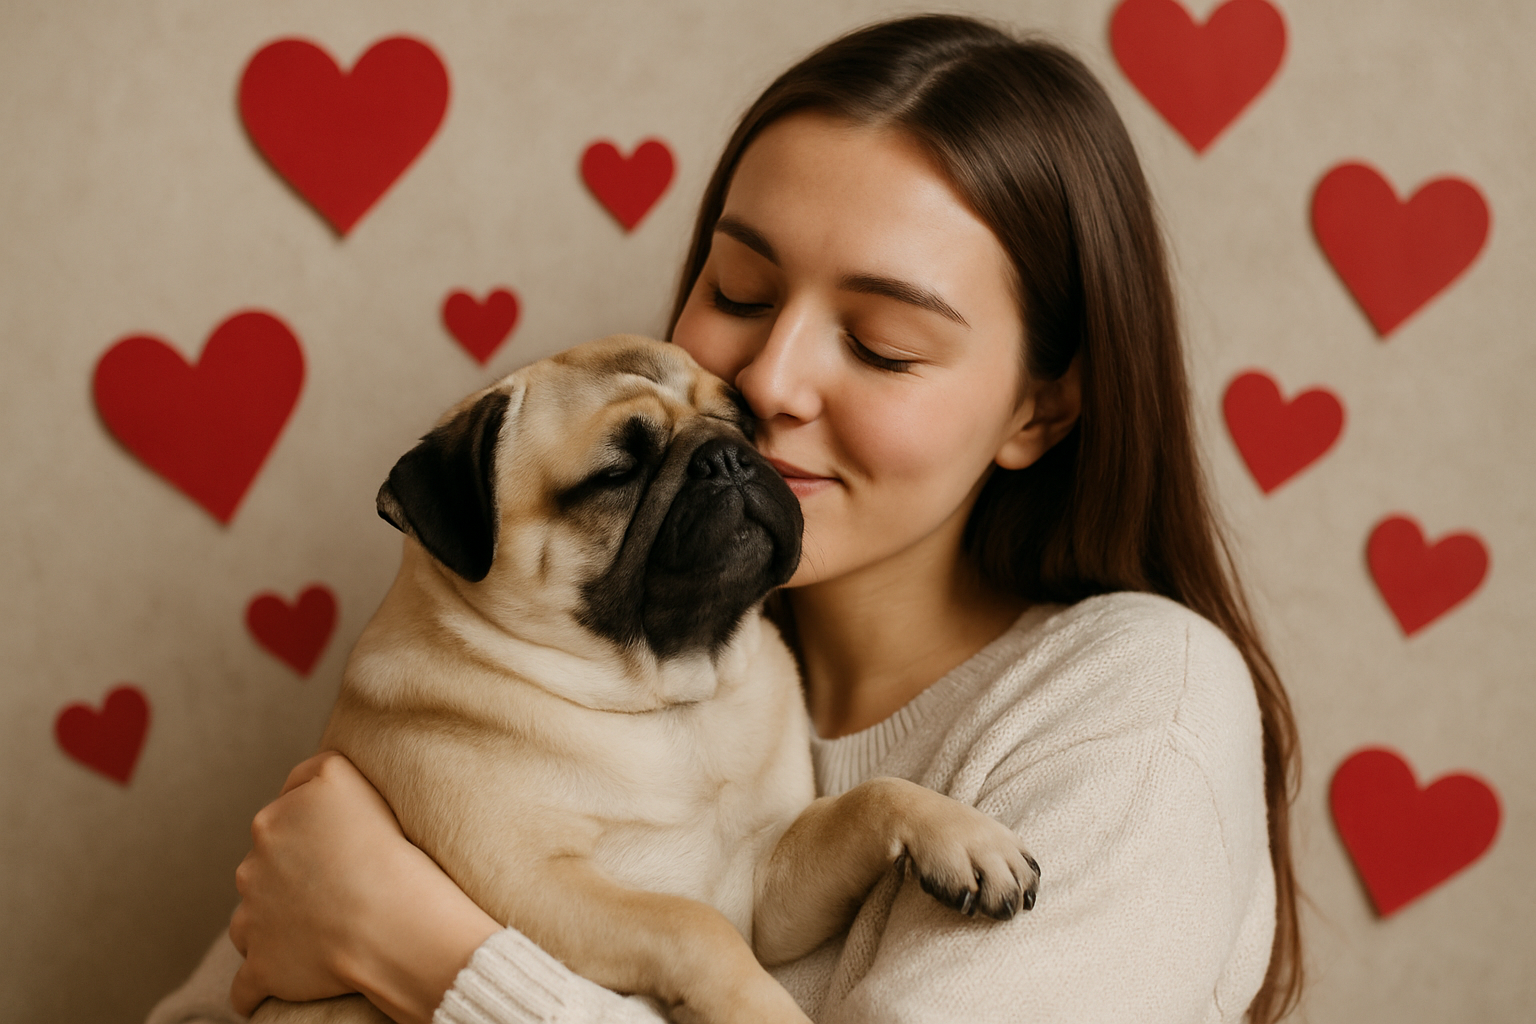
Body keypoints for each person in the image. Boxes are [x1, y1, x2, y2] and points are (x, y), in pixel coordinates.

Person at [148, 13, 1301, 1024]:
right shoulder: (559, 661)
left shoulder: (1132, 719)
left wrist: (437, 960)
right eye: (738, 293)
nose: (772, 381)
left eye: (883, 343)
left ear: (1042, 408)